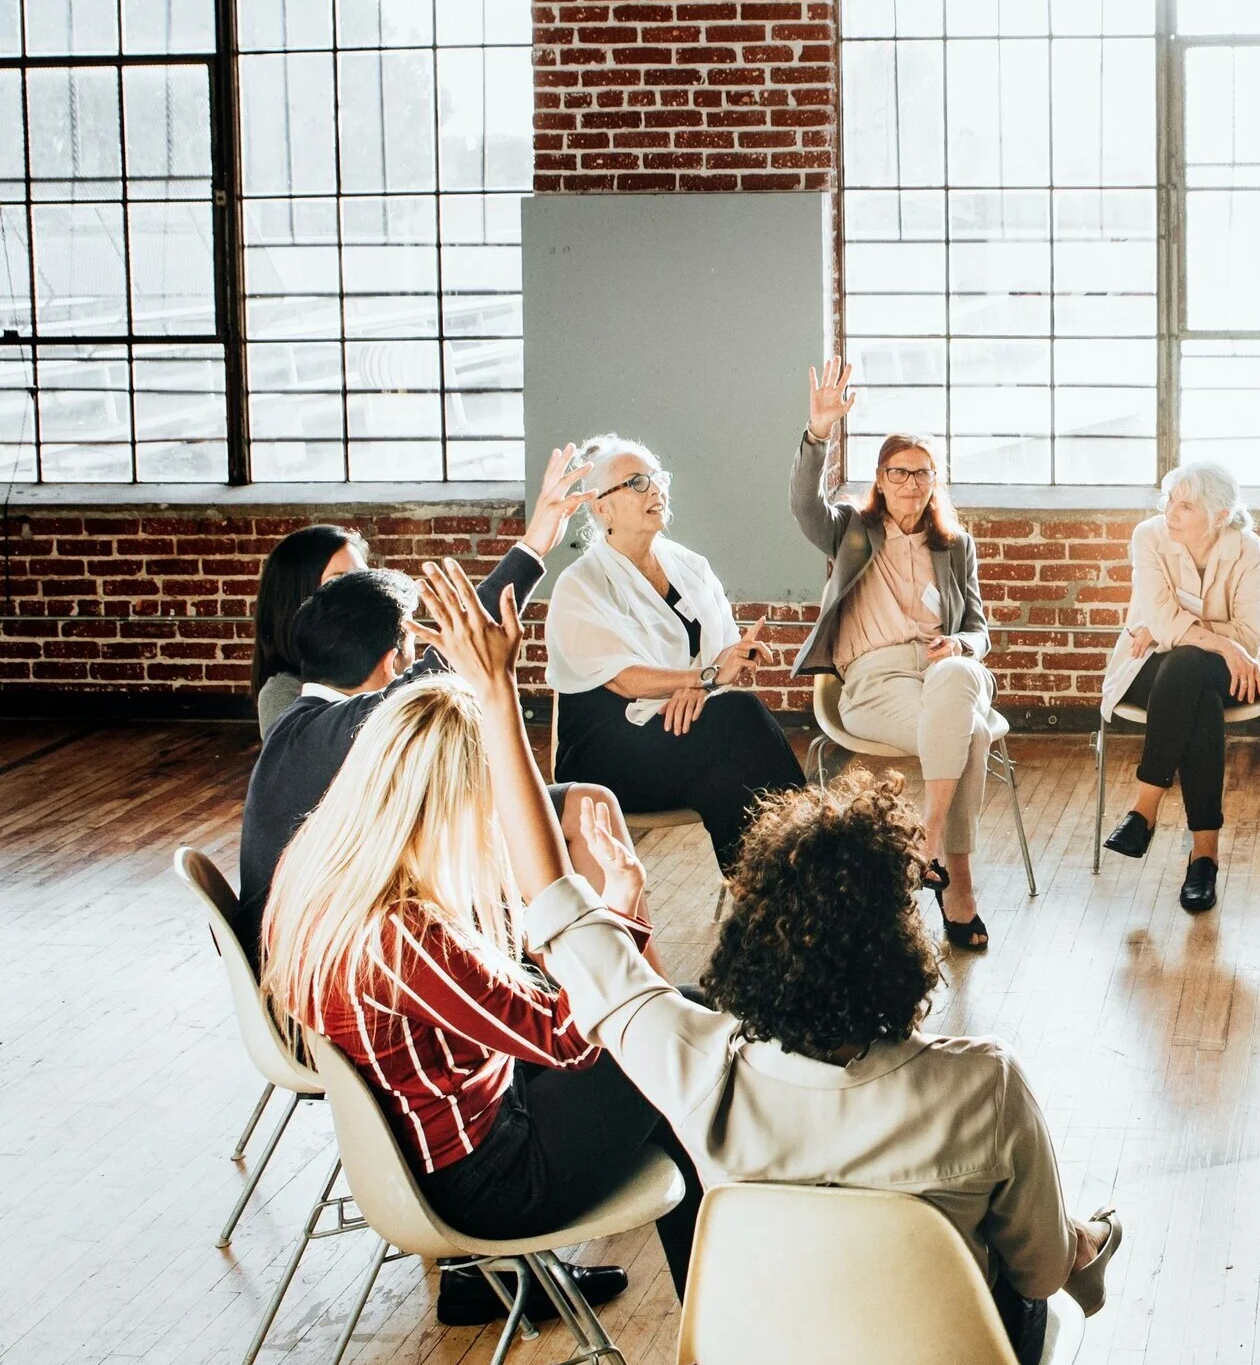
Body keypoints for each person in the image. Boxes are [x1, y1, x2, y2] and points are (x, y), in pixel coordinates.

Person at [412, 558, 1118, 1365]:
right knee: (1040, 1258)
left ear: (753, 934)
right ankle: (1090, 1243)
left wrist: (499, 698)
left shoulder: (694, 1065)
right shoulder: (985, 1083)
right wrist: (1067, 1250)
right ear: (903, 949)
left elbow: (554, 905)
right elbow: (1032, 1276)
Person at [258, 573, 704, 1331]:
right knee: (672, 1039)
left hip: (436, 1137)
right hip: (486, 1177)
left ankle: (718, 1314)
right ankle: (724, 1324)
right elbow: (567, 1037)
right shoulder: (401, 932)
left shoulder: (323, 867)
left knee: (662, 1049)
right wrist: (621, 907)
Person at [238, 447, 607, 965]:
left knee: (582, 807)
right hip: (332, 956)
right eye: (341, 584)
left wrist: (536, 542)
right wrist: (490, 669)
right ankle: (582, 995)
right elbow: (430, 673)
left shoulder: (335, 709)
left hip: (372, 892)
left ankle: (612, 986)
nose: (358, 590)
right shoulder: (298, 709)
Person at [789, 362, 1003, 950]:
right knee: (973, 736)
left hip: (944, 673)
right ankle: (958, 889)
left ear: (936, 481)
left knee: (960, 671)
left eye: (923, 474)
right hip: (877, 682)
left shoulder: (955, 546)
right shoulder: (852, 530)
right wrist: (818, 432)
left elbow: (980, 630)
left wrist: (960, 642)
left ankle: (928, 840)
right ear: (880, 480)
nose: (911, 484)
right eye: (898, 473)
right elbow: (804, 504)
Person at [545, 434, 805, 879]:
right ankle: (828, 848)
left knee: (722, 786)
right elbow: (625, 680)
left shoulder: (689, 564)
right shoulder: (581, 584)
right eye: (637, 483)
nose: (656, 490)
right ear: (601, 508)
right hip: (608, 752)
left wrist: (719, 671)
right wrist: (702, 680)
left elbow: (724, 654)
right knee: (740, 713)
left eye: (658, 478)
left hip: (685, 730)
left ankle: (770, 902)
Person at [1099, 460, 1260, 914]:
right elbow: (1165, 625)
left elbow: (1247, 635)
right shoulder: (1149, 537)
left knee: (1187, 663)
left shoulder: (1248, 549)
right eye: (1169, 500)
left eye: (1185, 505)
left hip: (1235, 671)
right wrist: (1198, 634)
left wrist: (1181, 628)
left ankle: (1145, 806)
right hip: (1149, 669)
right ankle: (1204, 856)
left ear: (1220, 516)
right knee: (1193, 688)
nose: (1170, 511)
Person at [250, 524, 367, 736]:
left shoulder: (379, 662)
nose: (358, 591)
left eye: (361, 578)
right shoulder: (283, 693)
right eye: (339, 581)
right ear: (300, 597)